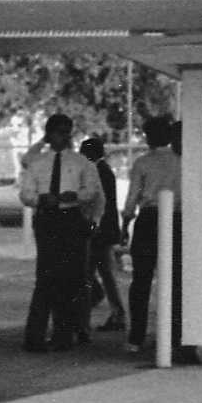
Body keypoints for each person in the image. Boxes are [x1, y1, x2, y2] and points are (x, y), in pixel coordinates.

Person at [18, 114, 97, 351]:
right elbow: (25, 193)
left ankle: (64, 335)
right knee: (45, 276)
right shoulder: (37, 163)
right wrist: (40, 199)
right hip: (47, 218)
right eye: (59, 132)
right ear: (49, 134)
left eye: (67, 132)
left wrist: (77, 196)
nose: (64, 137)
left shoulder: (82, 162)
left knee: (71, 277)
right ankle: (35, 336)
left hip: (71, 217)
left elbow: (91, 190)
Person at [123, 116, 182, 355]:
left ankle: (136, 337)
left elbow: (131, 200)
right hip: (178, 219)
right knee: (176, 280)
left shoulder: (142, 163)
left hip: (148, 220)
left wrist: (124, 224)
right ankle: (175, 336)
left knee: (141, 281)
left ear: (149, 137)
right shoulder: (182, 161)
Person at [82, 131, 127, 332]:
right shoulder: (104, 171)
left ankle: (112, 311)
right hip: (106, 230)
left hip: (99, 230)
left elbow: (98, 203)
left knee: (95, 271)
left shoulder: (98, 173)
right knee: (102, 272)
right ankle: (113, 310)